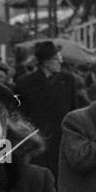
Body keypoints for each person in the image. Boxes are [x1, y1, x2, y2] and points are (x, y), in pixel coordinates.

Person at [15, 40, 80, 179]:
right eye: (56, 59)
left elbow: (73, 109)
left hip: (62, 138)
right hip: (38, 139)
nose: (60, 62)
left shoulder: (68, 80)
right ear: (45, 61)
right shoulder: (25, 83)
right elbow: (20, 115)